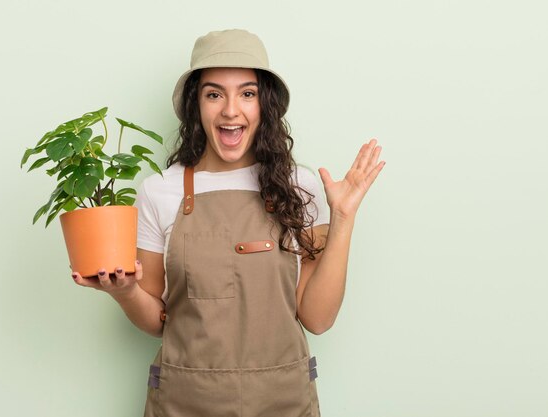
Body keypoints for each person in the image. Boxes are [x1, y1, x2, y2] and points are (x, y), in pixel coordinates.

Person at [71, 29, 385, 417]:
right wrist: (124, 293)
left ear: (264, 105)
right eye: (214, 93)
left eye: (247, 93)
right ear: (196, 105)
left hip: (282, 402)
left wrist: (343, 220)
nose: (231, 110)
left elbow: (318, 319)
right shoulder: (160, 192)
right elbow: (158, 321)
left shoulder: (300, 187)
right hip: (184, 403)